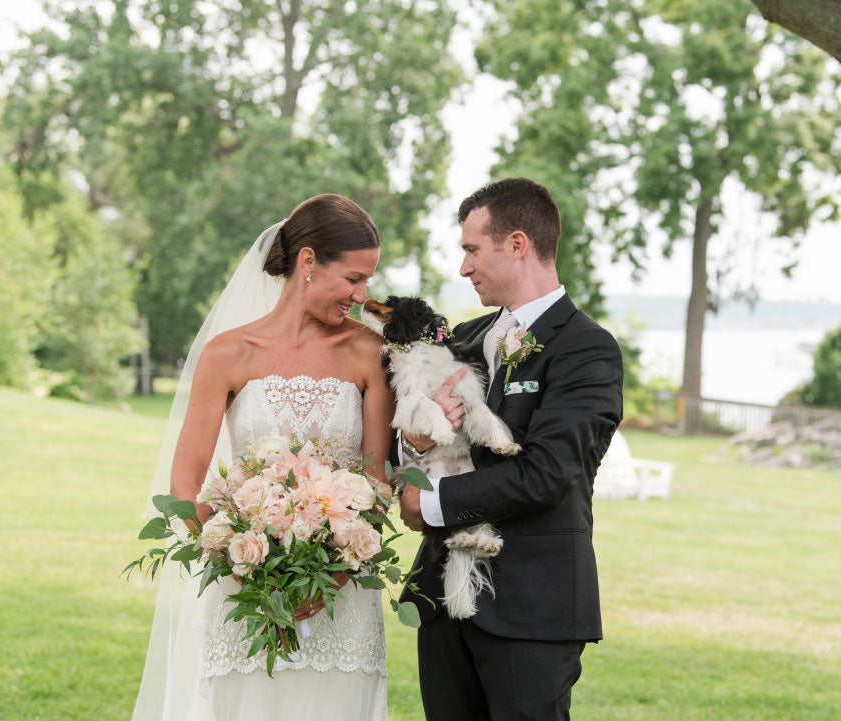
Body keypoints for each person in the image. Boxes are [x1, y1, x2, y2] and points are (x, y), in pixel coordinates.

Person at [131, 194, 395, 721]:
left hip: (341, 600)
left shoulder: (369, 352)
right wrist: (249, 571)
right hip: (244, 598)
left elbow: (376, 483)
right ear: (308, 262)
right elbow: (184, 485)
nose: (363, 296)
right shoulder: (228, 353)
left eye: (368, 280)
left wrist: (329, 579)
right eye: (353, 278)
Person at [398, 177, 624, 721]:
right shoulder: (463, 337)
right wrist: (412, 447)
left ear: (516, 244)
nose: (463, 267)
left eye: (472, 250)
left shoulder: (587, 349)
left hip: (532, 609)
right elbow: (410, 429)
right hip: (443, 599)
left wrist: (425, 506)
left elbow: (547, 473)